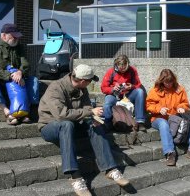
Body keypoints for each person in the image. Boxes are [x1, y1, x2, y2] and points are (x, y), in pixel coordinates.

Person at [38, 64, 129, 196]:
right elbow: (61, 115)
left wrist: (92, 118)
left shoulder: (82, 89)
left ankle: (110, 168)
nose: (90, 83)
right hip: (49, 125)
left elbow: (86, 107)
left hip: (73, 123)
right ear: (82, 81)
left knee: (94, 125)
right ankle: (74, 176)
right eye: (90, 81)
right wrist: (89, 111)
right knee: (66, 124)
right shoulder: (56, 88)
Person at [0, 23, 39, 125]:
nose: (17, 39)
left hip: (18, 81)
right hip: (1, 82)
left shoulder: (20, 47)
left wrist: (20, 72)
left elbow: (26, 64)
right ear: (3, 35)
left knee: (34, 80)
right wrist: (10, 76)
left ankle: (25, 111)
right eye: (14, 37)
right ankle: (7, 112)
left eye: (17, 37)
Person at [146, 69, 190, 166]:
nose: (169, 84)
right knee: (164, 124)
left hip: (176, 117)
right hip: (158, 118)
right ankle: (170, 152)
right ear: (161, 81)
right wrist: (159, 109)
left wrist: (181, 108)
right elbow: (148, 105)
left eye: (171, 82)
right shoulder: (155, 90)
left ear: (174, 80)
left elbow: (185, 103)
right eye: (166, 82)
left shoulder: (180, 89)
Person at [101, 54, 146, 131]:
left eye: (125, 67)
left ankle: (140, 121)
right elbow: (103, 88)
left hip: (128, 95)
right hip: (114, 95)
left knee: (140, 92)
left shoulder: (132, 70)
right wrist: (113, 89)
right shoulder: (111, 71)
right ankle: (107, 122)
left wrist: (131, 86)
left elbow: (138, 84)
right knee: (107, 102)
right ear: (116, 65)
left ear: (127, 64)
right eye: (120, 67)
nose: (122, 69)